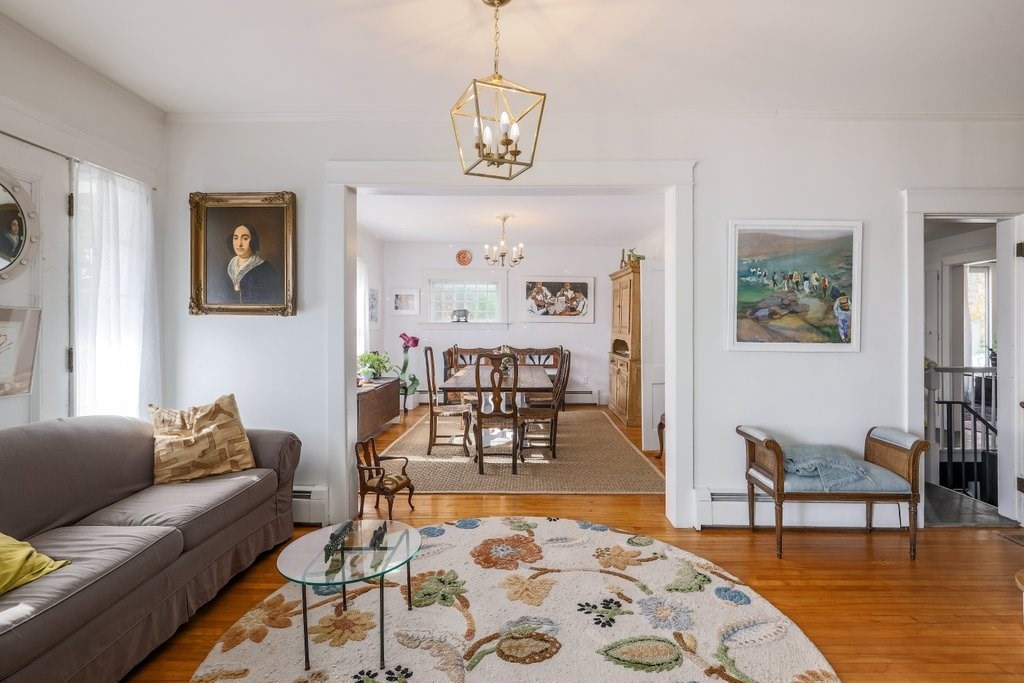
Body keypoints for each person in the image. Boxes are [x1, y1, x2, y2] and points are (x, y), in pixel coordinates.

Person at [221, 223, 283, 305]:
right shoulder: (226, 268)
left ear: (253, 241)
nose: (239, 244)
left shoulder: (266, 270)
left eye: (245, 238)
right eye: (235, 238)